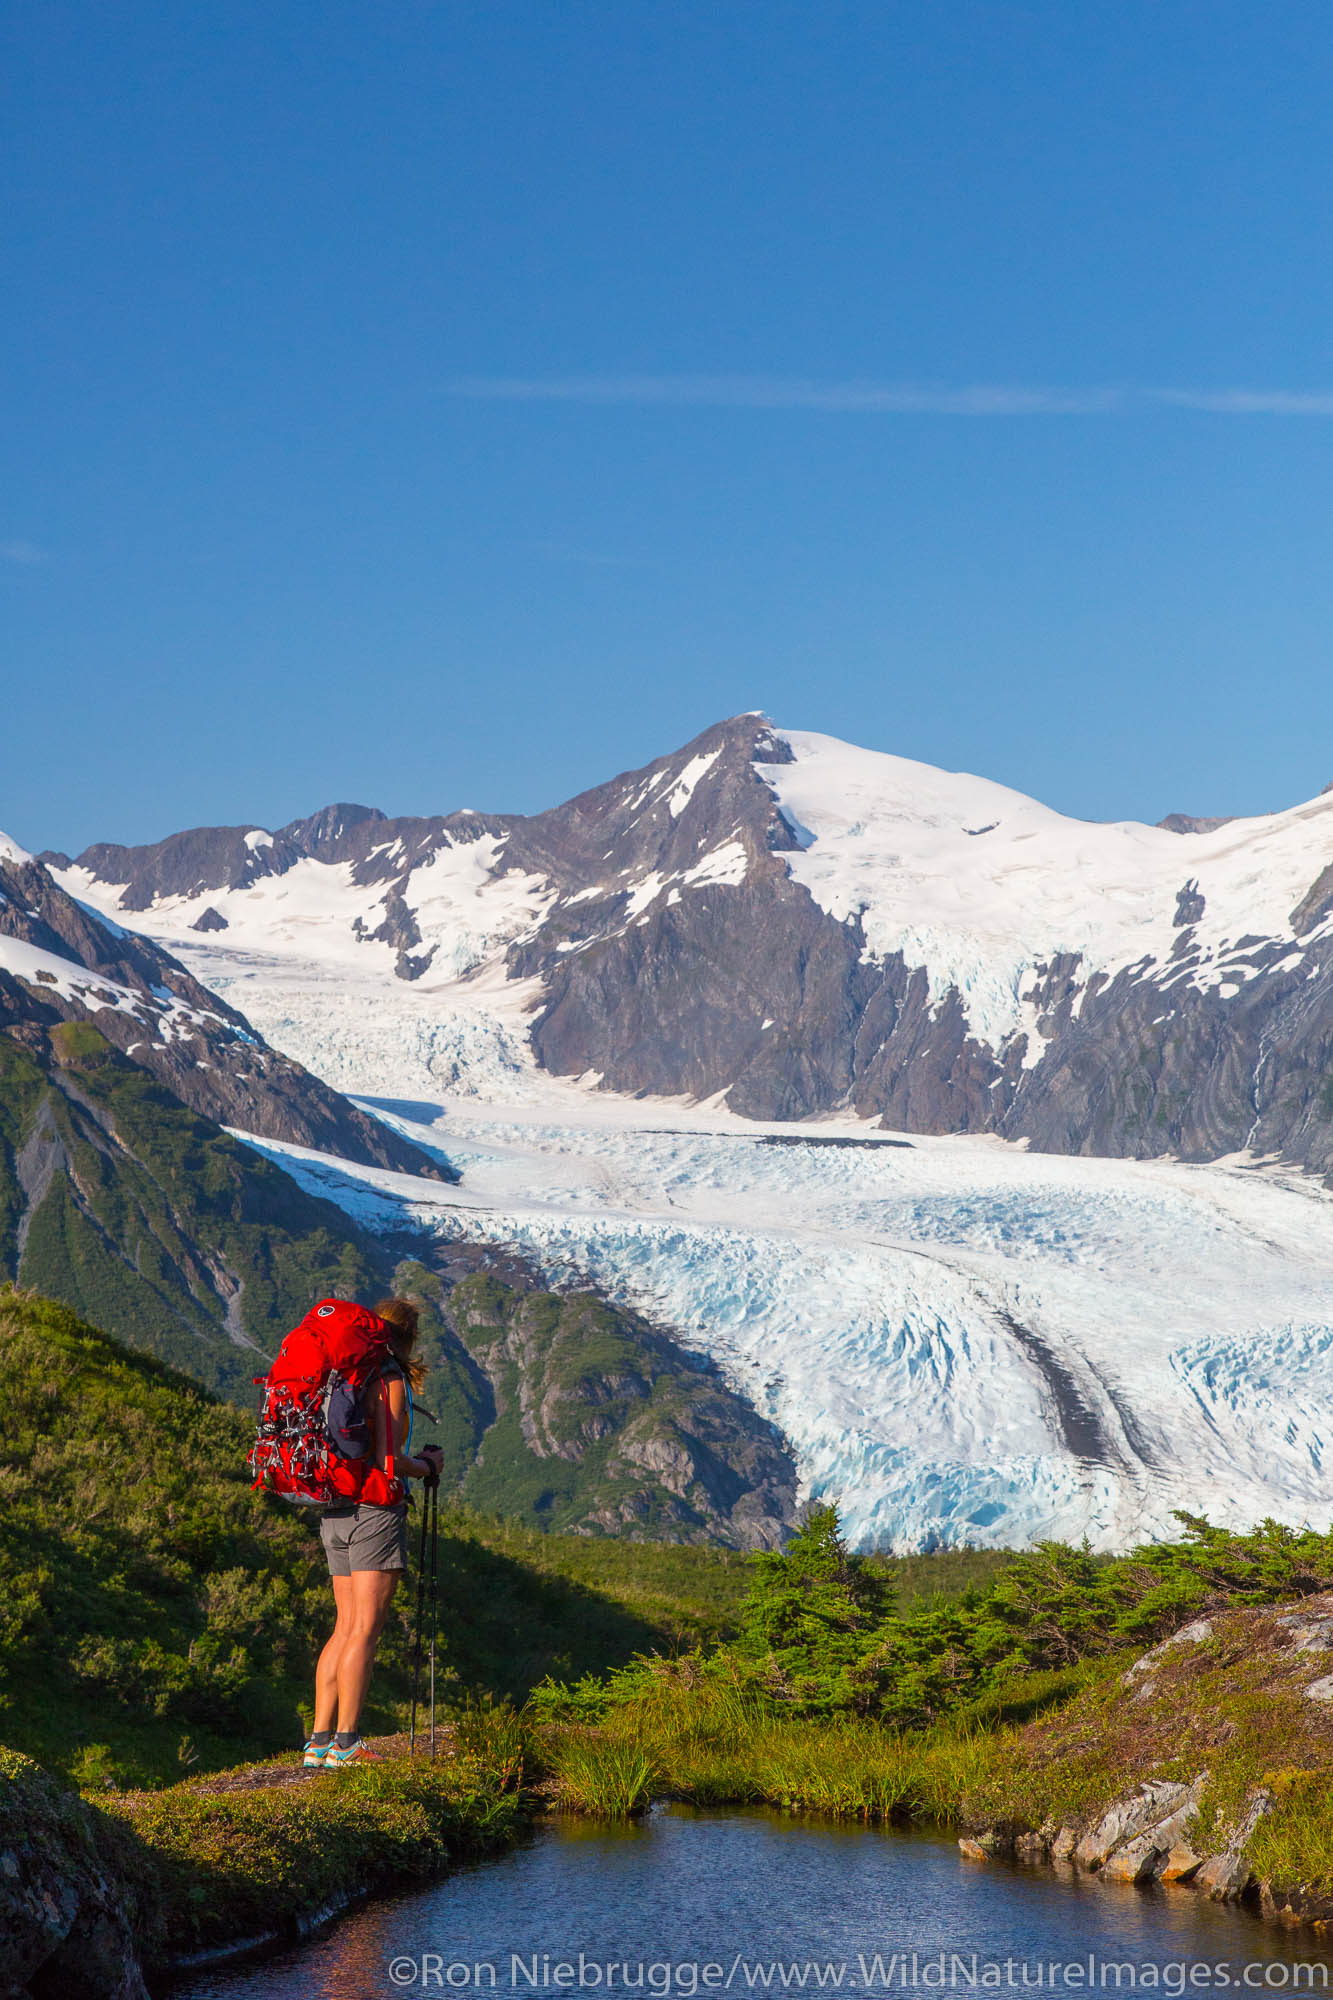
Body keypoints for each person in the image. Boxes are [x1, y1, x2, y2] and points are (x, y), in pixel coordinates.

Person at [303, 1297, 443, 1769]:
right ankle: (347, 1745)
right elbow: (390, 1460)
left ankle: (318, 1741)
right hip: (375, 1511)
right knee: (365, 1629)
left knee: (343, 1627)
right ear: (406, 1338)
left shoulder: (341, 1373)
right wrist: (426, 1465)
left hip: (335, 1508)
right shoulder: (389, 1380)